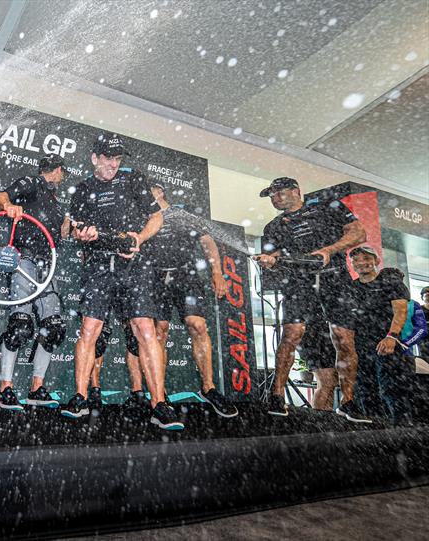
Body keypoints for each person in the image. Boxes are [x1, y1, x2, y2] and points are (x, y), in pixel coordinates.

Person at [64, 134, 182, 430]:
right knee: (89, 330)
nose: (113, 163)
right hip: (99, 266)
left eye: (117, 158)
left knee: (145, 329)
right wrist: (82, 233)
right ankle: (79, 397)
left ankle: (159, 405)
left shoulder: (134, 180)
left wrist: (138, 238)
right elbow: (74, 228)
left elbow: (157, 219)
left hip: (134, 265)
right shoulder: (82, 188)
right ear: (94, 158)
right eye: (107, 158)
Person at [254, 177, 368, 422]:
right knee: (291, 334)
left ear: (296, 191)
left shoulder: (328, 206)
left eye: (278, 193)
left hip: (335, 277)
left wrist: (328, 250)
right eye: (271, 195)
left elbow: (359, 233)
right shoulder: (273, 226)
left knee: (344, 338)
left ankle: (349, 402)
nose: (274, 198)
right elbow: (273, 257)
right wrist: (270, 261)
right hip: (299, 282)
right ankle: (277, 395)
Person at [124, 184, 238, 417]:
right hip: (155, 276)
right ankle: (160, 394)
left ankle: (209, 388)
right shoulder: (142, 218)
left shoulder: (183, 214)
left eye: (150, 190)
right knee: (159, 332)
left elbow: (208, 242)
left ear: (159, 191)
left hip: (186, 275)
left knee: (198, 325)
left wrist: (217, 273)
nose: (145, 194)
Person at [0, 154, 68, 410]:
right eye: (62, 173)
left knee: (53, 328)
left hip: (48, 264)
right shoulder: (30, 183)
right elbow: (0, 197)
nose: (62, 178)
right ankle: (6, 389)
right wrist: (8, 206)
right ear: (58, 171)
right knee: (20, 325)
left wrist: (78, 229)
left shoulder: (58, 204)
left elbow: (65, 232)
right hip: (24, 260)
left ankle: (37, 389)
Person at [350, 246, 413, 425]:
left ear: (376, 261)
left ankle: (403, 432)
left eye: (366, 258)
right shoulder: (352, 288)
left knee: (392, 389)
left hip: (389, 343)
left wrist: (391, 336)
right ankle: (375, 432)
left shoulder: (391, 282)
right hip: (361, 347)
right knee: (365, 390)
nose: (361, 262)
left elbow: (401, 311)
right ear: (353, 265)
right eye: (356, 260)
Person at [297, 322, 338, 411]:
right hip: (313, 337)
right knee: (325, 383)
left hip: (325, 336)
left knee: (330, 384)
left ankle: (326, 419)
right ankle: (316, 420)